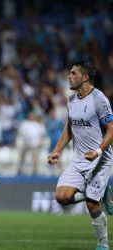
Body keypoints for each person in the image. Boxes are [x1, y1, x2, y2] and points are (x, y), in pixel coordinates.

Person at [48, 60, 113, 250]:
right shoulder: (71, 100)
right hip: (78, 159)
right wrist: (57, 150)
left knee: (93, 205)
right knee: (62, 197)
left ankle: (103, 245)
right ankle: (103, 192)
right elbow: (70, 127)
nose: (69, 76)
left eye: (73, 73)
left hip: (99, 159)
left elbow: (111, 129)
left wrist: (99, 150)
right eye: (69, 73)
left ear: (85, 77)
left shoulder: (99, 99)